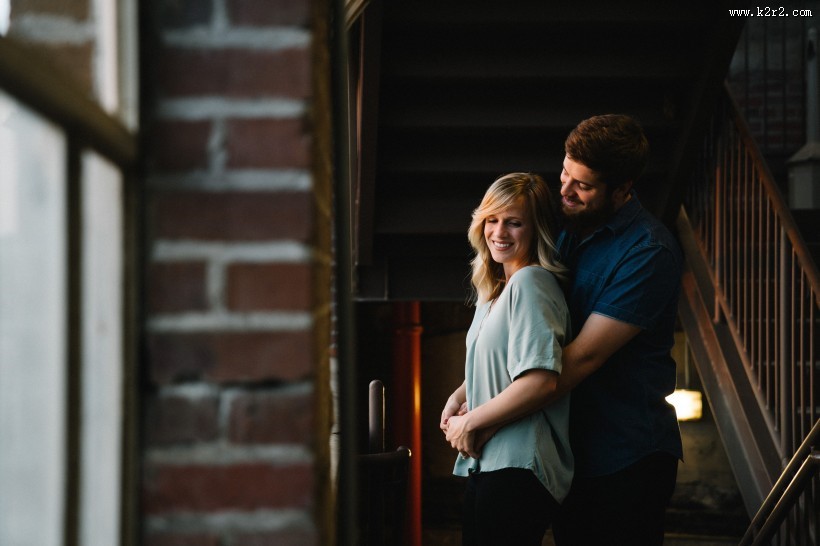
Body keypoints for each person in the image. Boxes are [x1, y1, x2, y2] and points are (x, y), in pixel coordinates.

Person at [549, 114, 684, 546]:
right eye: (565, 174)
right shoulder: (569, 226)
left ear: (623, 189)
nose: (565, 191)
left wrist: (490, 410)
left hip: (626, 459)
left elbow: (583, 357)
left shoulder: (649, 251)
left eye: (583, 185)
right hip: (573, 450)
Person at [439, 172, 573, 546]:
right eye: (492, 220)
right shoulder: (495, 293)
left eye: (514, 222)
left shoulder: (532, 283)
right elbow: (496, 363)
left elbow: (540, 381)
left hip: (519, 463)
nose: (499, 232)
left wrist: (470, 422)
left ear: (536, 229)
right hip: (490, 462)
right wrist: (458, 398)